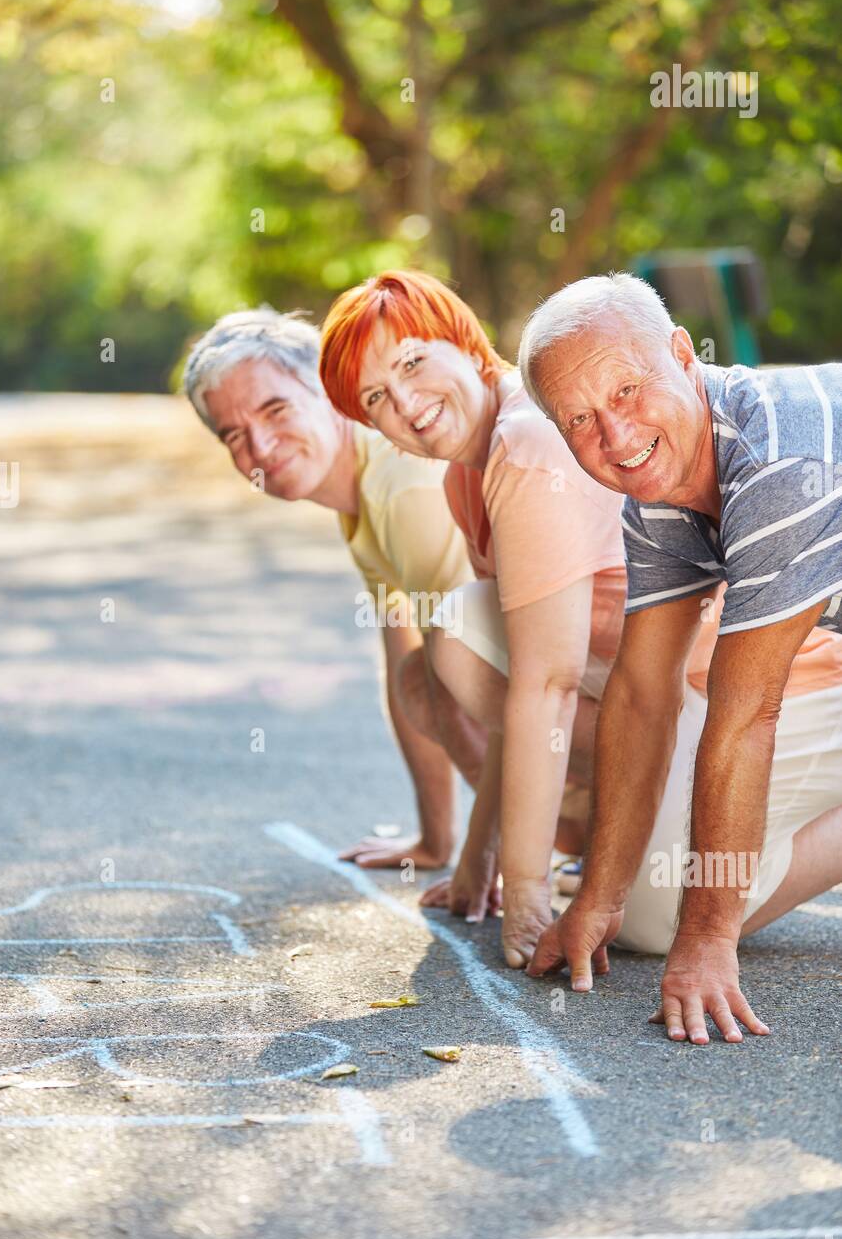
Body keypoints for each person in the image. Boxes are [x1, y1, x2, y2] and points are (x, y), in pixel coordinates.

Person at [519, 272, 842, 1044]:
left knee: (677, 912)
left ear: (681, 354)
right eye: (581, 419)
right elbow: (641, 692)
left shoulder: (778, 462)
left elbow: (745, 716)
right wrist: (598, 895)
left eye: (627, 391)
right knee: (643, 913)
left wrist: (708, 939)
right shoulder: (661, 486)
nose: (617, 437)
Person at [319, 270, 630, 965]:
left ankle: (651, 820)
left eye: (411, 362)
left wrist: (525, 898)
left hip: (697, 701)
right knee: (457, 641)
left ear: (463, 340)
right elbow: (522, 686)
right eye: (376, 397)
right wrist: (477, 858)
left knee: (457, 634)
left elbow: (545, 688)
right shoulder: (469, 473)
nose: (405, 402)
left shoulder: (523, 438)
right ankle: (621, 824)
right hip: (638, 701)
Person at [183, 306, 478, 873]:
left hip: (623, 707)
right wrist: (436, 842)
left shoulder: (400, 487)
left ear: (327, 388)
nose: (262, 448)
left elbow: (503, 683)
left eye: (276, 409)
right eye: (235, 435)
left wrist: (502, 862)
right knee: (427, 671)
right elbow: (408, 675)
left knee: (458, 664)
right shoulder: (363, 493)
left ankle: (581, 842)